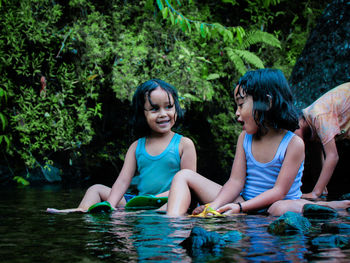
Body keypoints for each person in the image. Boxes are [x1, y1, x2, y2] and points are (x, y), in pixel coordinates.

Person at [166, 69, 350, 217]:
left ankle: (329, 207)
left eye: (241, 104)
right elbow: (235, 181)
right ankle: (172, 226)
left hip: (276, 202)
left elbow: (278, 191)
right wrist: (214, 206)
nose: (237, 113)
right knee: (183, 176)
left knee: (278, 209)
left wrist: (240, 208)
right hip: (244, 199)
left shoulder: (293, 143)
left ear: (267, 103)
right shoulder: (244, 138)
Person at [47, 79, 197, 213]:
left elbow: (188, 185)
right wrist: (110, 205)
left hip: (171, 200)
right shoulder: (136, 147)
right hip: (140, 201)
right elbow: (123, 181)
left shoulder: (184, 144)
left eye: (169, 107)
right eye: (154, 109)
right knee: (96, 189)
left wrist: (153, 199)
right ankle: (82, 210)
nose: (163, 114)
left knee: (166, 205)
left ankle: (144, 210)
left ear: (176, 108)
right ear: (142, 114)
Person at [294, 82, 350, 200]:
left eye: (291, 135)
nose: (292, 142)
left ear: (298, 123)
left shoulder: (318, 116)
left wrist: (315, 193)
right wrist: (322, 190)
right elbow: (317, 160)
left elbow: (332, 156)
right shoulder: (310, 127)